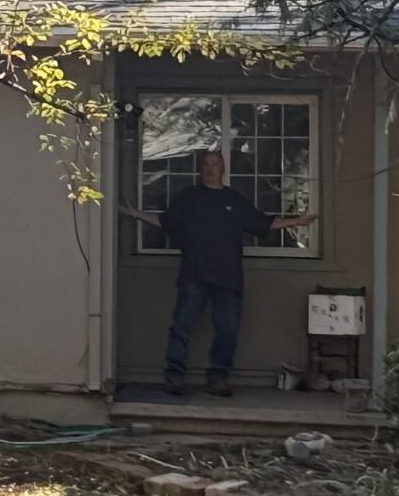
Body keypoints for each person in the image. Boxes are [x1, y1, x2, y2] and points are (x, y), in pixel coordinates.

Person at [119, 148, 314, 396]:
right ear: (201, 170)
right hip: (194, 274)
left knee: (227, 330)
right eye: (206, 165)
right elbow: (165, 222)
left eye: (215, 164)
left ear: (223, 169)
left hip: (228, 277)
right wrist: (133, 213)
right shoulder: (189, 197)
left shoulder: (233, 199)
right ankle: (174, 377)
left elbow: (263, 223)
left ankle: (218, 378)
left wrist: (297, 220)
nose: (210, 169)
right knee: (182, 326)